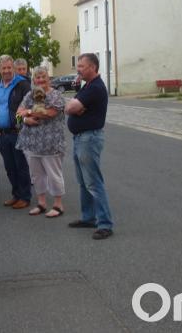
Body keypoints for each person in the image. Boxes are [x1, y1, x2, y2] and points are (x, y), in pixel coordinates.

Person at [65, 53, 114, 240]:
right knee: (83, 181)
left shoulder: (95, 88)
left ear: (93, 67)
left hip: (89, 138)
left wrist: (75, 107)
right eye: (78, 65)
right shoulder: (87, 86)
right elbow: (71, 106)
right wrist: (75, 107)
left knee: (93, 181)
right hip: (80, 137)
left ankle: (105, 223)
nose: (78, 69)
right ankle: (89, 217)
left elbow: (69, 108)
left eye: (81, 66)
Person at [16, 66, 67, 218]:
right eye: (37, 78)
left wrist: (29, 111)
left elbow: (50, 113)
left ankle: (58, 205)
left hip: (51, 143)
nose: (40, 80)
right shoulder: (29, 95)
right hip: (31, 143)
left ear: (48, 78)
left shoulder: (56, 95)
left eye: (43, 77)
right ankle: (41, 203)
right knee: (36, 175)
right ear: (33, 80)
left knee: (53, 174)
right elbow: (18, 114)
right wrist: (25, 118)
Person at [0, 55, 32, 209]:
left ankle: (25, 196)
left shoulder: (22, 84)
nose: (7, 71)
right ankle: (16, 194)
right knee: (9, 166)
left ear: (13, 68)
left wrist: (19, 125)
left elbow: (29, 107)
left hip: (17, 132)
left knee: (20, 165)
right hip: (1, 133)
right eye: (4, 68)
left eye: (9, 67)